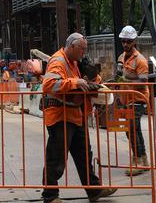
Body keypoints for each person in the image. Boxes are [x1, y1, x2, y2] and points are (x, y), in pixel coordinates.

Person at [41, 32, 117, 203]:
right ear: (72, 47)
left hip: (76, 115)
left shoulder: (76, 62)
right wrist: (76, 82)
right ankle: (50, 195)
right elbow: (49, 84)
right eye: (82, 49)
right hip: (60, 116)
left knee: (84, 156)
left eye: (85, 49)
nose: (84, 52)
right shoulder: (58, 61)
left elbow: (93, 82)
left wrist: (91, 73)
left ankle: (94, 190)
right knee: (57, 157)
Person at [116, 25, 150, 176]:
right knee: (134, 130)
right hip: (126, 99)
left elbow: (144, 82)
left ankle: (137, 161)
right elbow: (119, 74)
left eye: (128, 42)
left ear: (134, 41)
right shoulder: (122, 57)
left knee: (130, 129)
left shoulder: (140, 60)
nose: (125, 44)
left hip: (138, 99)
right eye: (123, 41)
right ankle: (143, 160)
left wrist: (126, 79)